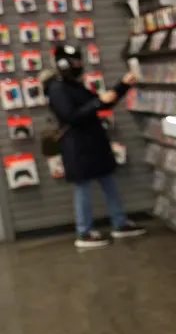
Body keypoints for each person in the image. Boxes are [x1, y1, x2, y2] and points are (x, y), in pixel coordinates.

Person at [45, 45, 145, 249]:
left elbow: (101, 104)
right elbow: (71, 116)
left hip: (92, 143)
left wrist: (122, 86)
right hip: (77, 145)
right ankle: (84, 232)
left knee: (108, 182)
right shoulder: (58, 88)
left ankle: (120, 223)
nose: (79, 65)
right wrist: (97, 103)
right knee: (83, 187)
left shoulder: (72, 85)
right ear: (63, 64)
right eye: (75, 62)